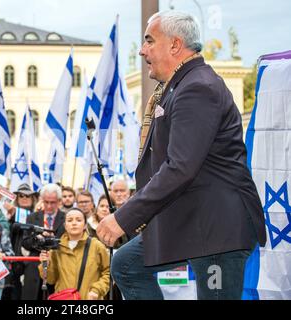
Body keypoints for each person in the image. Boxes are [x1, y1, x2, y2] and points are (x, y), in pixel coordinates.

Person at [97, 11, 266, 300]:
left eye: (149, 40)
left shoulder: (197, 87)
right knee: (126, 264)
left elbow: (180, 168)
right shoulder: (180, 85)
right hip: (192, 222)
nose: (142, 50)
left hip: (217, 232)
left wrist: (123, 217)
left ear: (175, 45)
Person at [39, 208, 110, 300]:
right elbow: (50, 280)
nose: (74, 223)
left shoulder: (97, 246)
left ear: (85, 225)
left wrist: (97, 290)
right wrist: (45, 264)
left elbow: (109, 272)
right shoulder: (56, 247)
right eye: (69, 220)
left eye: (79, 220)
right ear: (65, 225)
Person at [21, 183, 66, 300]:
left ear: (59, 201)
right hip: (34, 267)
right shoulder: (32, 217)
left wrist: (52, 240)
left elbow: (66, 242)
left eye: (53, 202)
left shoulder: (66, 217)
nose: (49, 206)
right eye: (46, 202)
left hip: (56, 267)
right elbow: (25, 242)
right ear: (41, 200)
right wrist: (38, 239)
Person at [1, 183, 38, 300]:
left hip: (31, 261)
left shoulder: (38, 215)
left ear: (33, 198)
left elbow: (28, 221)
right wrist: (9, 216)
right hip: (13, 261)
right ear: (16, 198)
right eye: (21, 196)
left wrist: (15, 212)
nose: (25, 198)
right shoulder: (8, 216)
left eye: (28, 196)